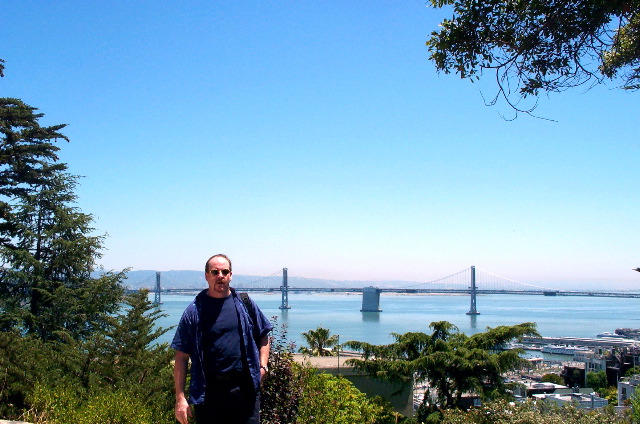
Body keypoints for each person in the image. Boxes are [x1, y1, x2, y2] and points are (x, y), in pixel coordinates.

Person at [172, 254, 273, 424]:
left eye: (225, 271)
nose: (220, 276)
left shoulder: (245, 303)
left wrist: (263, 367)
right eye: (215, 272)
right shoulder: (194, 311)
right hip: (209, 394)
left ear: (230, 275)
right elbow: (181, 357)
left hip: (245, 390)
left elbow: (264, 335)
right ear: (207, 276)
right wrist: (180, 398)